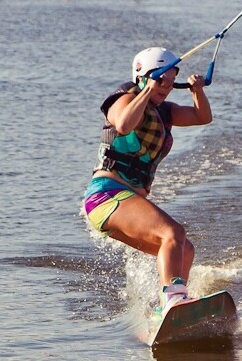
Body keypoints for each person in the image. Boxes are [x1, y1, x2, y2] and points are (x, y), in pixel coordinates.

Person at [82, 47, 212, 316]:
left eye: (171, 79)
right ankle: (173, 300)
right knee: (173, 233)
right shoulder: (124, 98)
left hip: (126, 202)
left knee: (184, 249)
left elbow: (202, 117)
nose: (165, 86)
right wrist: (146, 90)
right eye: (160, 79)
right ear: (143, 76)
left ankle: (169, 308)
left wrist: (197, 90)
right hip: (106, 196)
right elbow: (124, 125)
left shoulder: (166, 111)